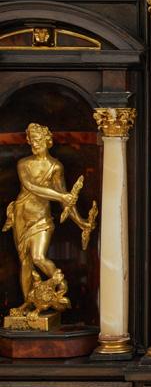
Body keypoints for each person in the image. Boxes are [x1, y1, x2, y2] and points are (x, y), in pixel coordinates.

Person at [3, 123, 96, 319]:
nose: (34, 144)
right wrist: (61, 196)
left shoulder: (55, 167)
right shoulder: (23, 164)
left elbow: (65, 200)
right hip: (21, 215)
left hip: (41, 218)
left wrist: (81, 222)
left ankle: (60, 283)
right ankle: (27, 304)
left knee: (38, 257)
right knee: (25, 262)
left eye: (37, 140)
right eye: (31, 140)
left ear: (47, 140)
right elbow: (31, 186)